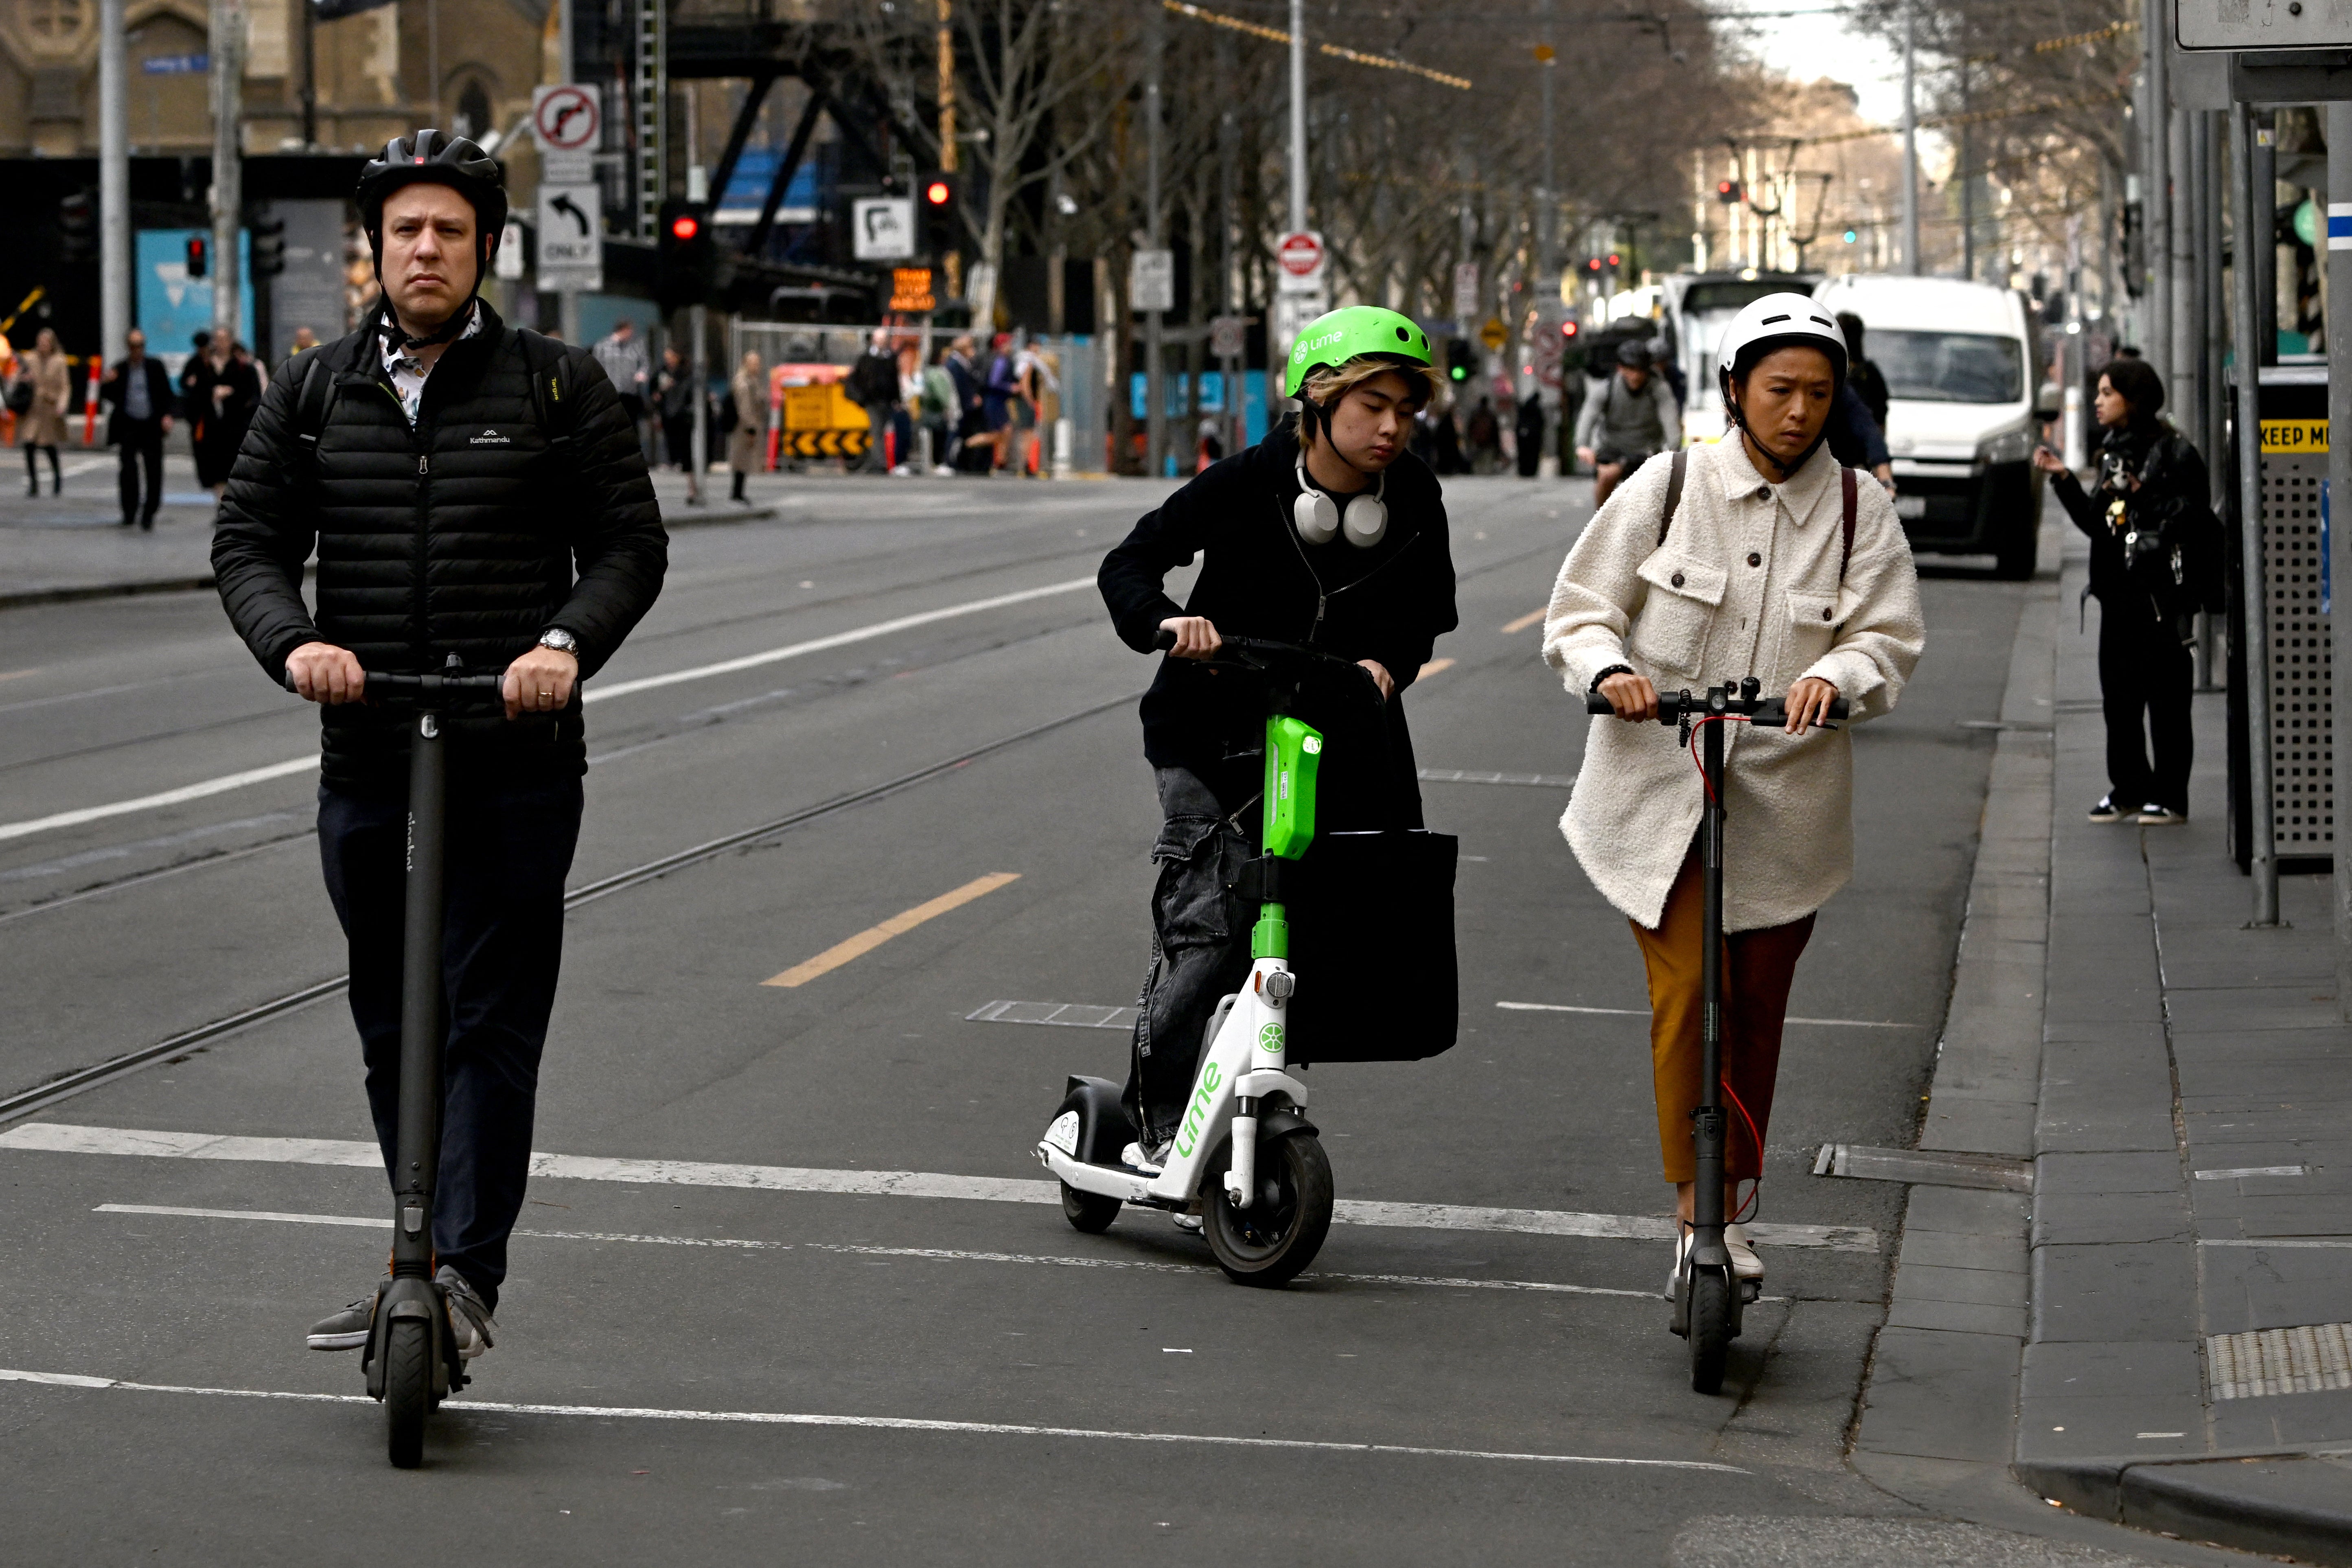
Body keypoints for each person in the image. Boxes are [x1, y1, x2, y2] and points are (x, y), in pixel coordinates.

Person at [209, 129, 668, 1363]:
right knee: (388, 1015)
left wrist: (563, 647)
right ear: (375, 249)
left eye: (449, 233)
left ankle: (460, 1273)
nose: (426, 249)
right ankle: (416, 1241)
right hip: (370, 745)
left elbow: (630, 547)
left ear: (483, 252)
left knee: (489, 1017)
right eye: (406, 230)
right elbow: (247, 539)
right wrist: (294, 643)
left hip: (512, 753)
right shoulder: (312, 393)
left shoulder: (559, 386)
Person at [1541, 292, 1923, 1291]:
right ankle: (1692, 1208)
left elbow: (1885, 642)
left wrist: (1833, 678)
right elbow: (1579, 615)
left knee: (1754, 1007)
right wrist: (1604, 671)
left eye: (1817, 392)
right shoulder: (1666, 486)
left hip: (1784, 810)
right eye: (1779, 389)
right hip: (1654, 798)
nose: (1798, 410)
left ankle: (1736, 1198)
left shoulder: (1859, 512)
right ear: (1735, 391)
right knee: (1688, 995)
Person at [1097, 304, 1459, 1172]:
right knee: (1214, 921)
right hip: (1208, 732)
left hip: (1333, 735)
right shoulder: (1247, 483)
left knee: (1329, 917)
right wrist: (1169, 625)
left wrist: (1389, 662)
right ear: (1320, 401)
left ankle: (1251, 1086)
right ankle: (1157, 1122)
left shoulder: (1412, 495)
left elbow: (1430, 611)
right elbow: (1130, 563)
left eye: (1406, 410)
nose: (1391, 427)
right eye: (1373, 405)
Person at [2034, 358, 2219, 826]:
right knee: (2119, 701)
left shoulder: (2174, 453)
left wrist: (2143, 493)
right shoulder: (2114, 450)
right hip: (2118, 599)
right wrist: (2063, 477)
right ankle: (2130, 788)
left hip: (2161, 599)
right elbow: (2100, 526)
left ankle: (2171, 796)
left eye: (2106, 393)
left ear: (2133, 400)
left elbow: (2193, 518)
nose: (2097, 402)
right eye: (2097, 393)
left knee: (2167, 701)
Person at [1575, 337, 1682, 507]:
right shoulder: (1607, 388)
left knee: (1655, 492)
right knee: (1606, 476)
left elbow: (1670, 418)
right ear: (1620, 368)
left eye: (1641, 370)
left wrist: (1674, 449)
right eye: (1631, 370)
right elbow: (1589, 414)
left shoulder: (1659, 389)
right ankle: (1602, 526)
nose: (1636, 376)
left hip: (1646, 450)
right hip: (1612, 447)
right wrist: (1582, 445)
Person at [99, 327, 177, 530]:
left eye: (141, 346)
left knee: (154, 470)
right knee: (128, 469)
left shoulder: (154, 367)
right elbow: (108, 395)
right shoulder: (121, 369)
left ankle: (149, 511)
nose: (137, 350)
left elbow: (167, 394)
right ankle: (129, 511)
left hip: (151, 424)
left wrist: (167, 416)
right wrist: (108, 382)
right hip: (129, 425)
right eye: (134, 346)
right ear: (128, 348)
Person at [182, 326, 263, 499]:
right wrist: (209, 393)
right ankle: (221, 505)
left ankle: (230, 504)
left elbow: (253, 396)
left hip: (235, 427)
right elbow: (191, 392)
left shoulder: (243, 367)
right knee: (214, 470)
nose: (220, 343)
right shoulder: (202, 365)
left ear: (231, 341)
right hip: (210, 427)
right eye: (217, 339)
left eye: (224, 339)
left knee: (234, 468)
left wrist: (231, 393)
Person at [16, 327, 71, 497]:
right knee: (29, 444)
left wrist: (62, 405)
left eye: (46, 343)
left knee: (49, 446)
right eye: (40, 343)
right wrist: (23, 380)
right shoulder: (30, 359)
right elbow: (18, 377)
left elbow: (65, 386)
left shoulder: (59, 361)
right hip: (33, 408)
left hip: (50, 408)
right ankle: (33, 483)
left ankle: (57, 480)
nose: (42, 346)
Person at [592, 317, 651, 454]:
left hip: (630, 391)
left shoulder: (636, 346)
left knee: (631, 422)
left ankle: (631, 452)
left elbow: (645, 363)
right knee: (611, 422)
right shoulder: (603, 346)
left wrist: (642, 373)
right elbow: (595, 366)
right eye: (629, 330)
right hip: (610, 391)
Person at [846, 328, 900, 474]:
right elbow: (857, 379)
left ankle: (883, 461)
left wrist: (898, 399)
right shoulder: (866, 358)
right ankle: (880, 463)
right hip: (872, 401)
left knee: (886, 431)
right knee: (876, 431)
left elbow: (895, 381)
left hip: (887, 401)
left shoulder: (891, 358)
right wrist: (862, 398)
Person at [727, 350, 766, 501]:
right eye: (754, 363)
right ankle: (737, 493)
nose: (757, 366)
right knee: (741, 460)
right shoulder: (743, 383)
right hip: (743, 427)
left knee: (744, 460)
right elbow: (745, 408)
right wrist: (751, 429)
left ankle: (739, 492)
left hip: (748, 425)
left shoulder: (752, 380)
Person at [656, 344, 697, 473]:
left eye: (670, 357)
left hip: (681, 409)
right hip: (667, 408)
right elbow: (655, 387)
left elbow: (690, 389)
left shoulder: (684, 372)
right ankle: (671, 460)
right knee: (669, 436)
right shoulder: (662, 371)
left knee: (682, 438)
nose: (668, 360)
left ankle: (682, 461)